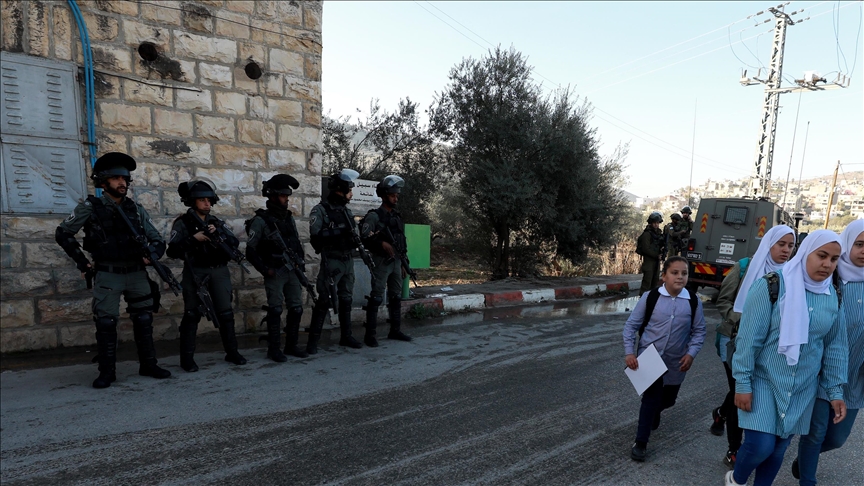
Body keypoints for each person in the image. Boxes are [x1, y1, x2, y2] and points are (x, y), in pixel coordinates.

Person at [725, 230, 848, 486]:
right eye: (822, 256)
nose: (827, 264)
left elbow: (835, 346)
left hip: (803, 386)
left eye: (834, 259)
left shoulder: (833, 295)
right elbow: (749, 340)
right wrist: (743, 383)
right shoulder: (772, 285)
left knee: (779, 448)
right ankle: (735, 480)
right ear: (805, 253)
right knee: (760, 445)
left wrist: (835, 391)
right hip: (764, 379)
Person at [55, 152, 171, 388]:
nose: (122, 183)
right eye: (117, 178)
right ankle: (107, 371)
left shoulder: (135, 210)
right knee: (106, 322)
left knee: (144, 317)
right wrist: (82, 262)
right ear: (103, 181)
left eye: (125, 179)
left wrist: (153, 255)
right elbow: (63, 233)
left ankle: (148, 364)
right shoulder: (91, 207)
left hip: (137, 272)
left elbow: (157, 240)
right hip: (108, 273)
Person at [711, 225, 795, 468]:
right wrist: (743, 319)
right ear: (769, 243)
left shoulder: (790, 273)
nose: (786, 250)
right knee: (740, 389)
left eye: (790, 246)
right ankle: (734, 449)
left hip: (768, 345)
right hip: (734, 340)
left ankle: (720, 414)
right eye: (781, 244)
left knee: (740, 389)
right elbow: (724, 301)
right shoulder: (746, 267)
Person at [793, 219, 864, 486]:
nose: (863, 250)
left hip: (856, 374)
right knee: (815, 433)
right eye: (859, 244)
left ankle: (803, 459)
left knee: (837, 438)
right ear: (848, 244)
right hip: (823, 371)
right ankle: (807, 480)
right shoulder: (830, 280)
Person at [623, 256, 707, 461]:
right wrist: (630, 352)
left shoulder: (693, 301)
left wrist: (691, 354)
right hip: (650, 358)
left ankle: (656, 411)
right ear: (664, 276)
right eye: (674, 273)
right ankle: (640, 442)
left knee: (668, 400)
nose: (680, 277)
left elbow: (699, 332)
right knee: (650, 400)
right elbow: (631, 326)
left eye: (684, 273)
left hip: (676, 361)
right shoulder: (650, 297)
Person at [166, 179, 246, 371]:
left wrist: (219, 232)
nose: (207, 204)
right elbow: (172, 251)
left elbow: (234, 242)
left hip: (218, 270)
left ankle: (232, 352)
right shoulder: (182, 223)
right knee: (192, 314)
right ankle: (187, 359)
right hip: (195, 271)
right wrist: (193, 239)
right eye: (202, 200)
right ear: (193, 202)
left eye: (209, 200)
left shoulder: (215, 222)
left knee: (226, 312)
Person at [245, 174, 309, 362]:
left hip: (292, 270)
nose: (286, 199)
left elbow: (296, 242)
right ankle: (273, 348)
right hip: (275, 271)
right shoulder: (261, 221)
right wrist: (265, 270)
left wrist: (300, 263)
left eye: (287, 196)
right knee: (275, 310)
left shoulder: (288, 218)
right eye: (282, 196)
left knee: (296, 308)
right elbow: (251, 250)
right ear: (272, 196)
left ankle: (291, 345)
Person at [306, 169, 366, 354]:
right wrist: (338, 232)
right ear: (339, 189)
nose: (351, 194)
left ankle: (346, 336)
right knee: (324, 299)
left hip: (347, 260)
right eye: (349, 190)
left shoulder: (346, 212)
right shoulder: (321, 210)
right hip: (331, 261)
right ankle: (313, 342)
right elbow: (316, 237)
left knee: (346, 299)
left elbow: (354, 234)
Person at [359, 175, 413, 346]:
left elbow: (401, 241)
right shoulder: (374, 216)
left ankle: (395, 330)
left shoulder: (396, 216)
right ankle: (371, 335)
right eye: (392, 196)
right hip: (382, 262)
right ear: (383, 196)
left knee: (395, 296)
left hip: (396, 261)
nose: (395, 198)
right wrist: (381, 243)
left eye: (397, 195)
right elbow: (364, 238)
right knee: (376, 297)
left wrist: (404, 262)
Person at [637, 212, 665, 294]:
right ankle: (642, 300)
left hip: (656, 261)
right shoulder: (647, 234)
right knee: (647, 282)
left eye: (657, 223)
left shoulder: (658, 234)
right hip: (649, 261)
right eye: (654, 223)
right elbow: (646, 249)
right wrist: (657, 255)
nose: (656, 225)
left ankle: (651, 301)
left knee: (655, 281)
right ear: (651, 223)